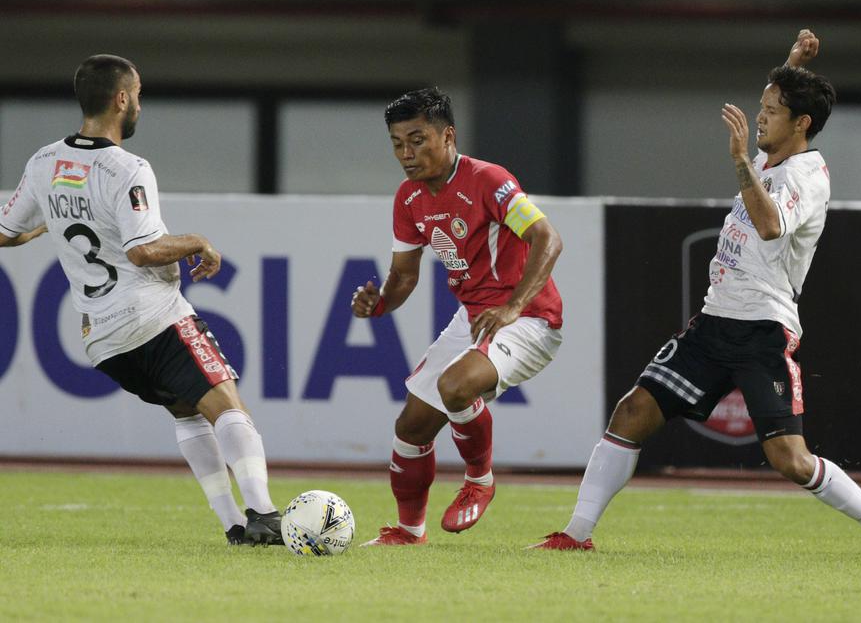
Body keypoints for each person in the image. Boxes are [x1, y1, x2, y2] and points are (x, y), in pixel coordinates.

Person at [531, 30, 861, 553]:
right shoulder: (776, 156)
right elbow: (779, 110)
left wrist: (741, 160)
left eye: (772, 110)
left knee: (790, 458)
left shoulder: (805, 176)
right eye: (761, 106)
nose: (760, 116)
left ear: (802, 124)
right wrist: (791, 64)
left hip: (762, 331)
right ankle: (575, 536)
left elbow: (770, 226)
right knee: (632, 412)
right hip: (714, 322)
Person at [0, 54, 283, 545]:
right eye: (139, 95)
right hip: (152, 316)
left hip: (103, 340)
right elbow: (143, 251)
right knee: (228, 405)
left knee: (186, 412)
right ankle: (264, 512)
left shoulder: (43, 162)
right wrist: (197, 241)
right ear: (122, 98)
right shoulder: (126, 167)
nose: (140, 106)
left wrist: (51, 222)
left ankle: (235, 525)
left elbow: (6, 233)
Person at [352, 87, 564, 546]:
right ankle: (410, 531)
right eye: (397, 144)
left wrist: (511, 307)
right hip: (474, 317)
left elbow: (549, 239)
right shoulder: (409, 198)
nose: (406, 154)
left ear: (448, 135)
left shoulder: (488, 179)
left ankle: (480, 480)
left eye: (418, 140)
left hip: (529, 318)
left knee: (455, 386)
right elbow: (404, 277)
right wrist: (380, 303)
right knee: (410, 427)